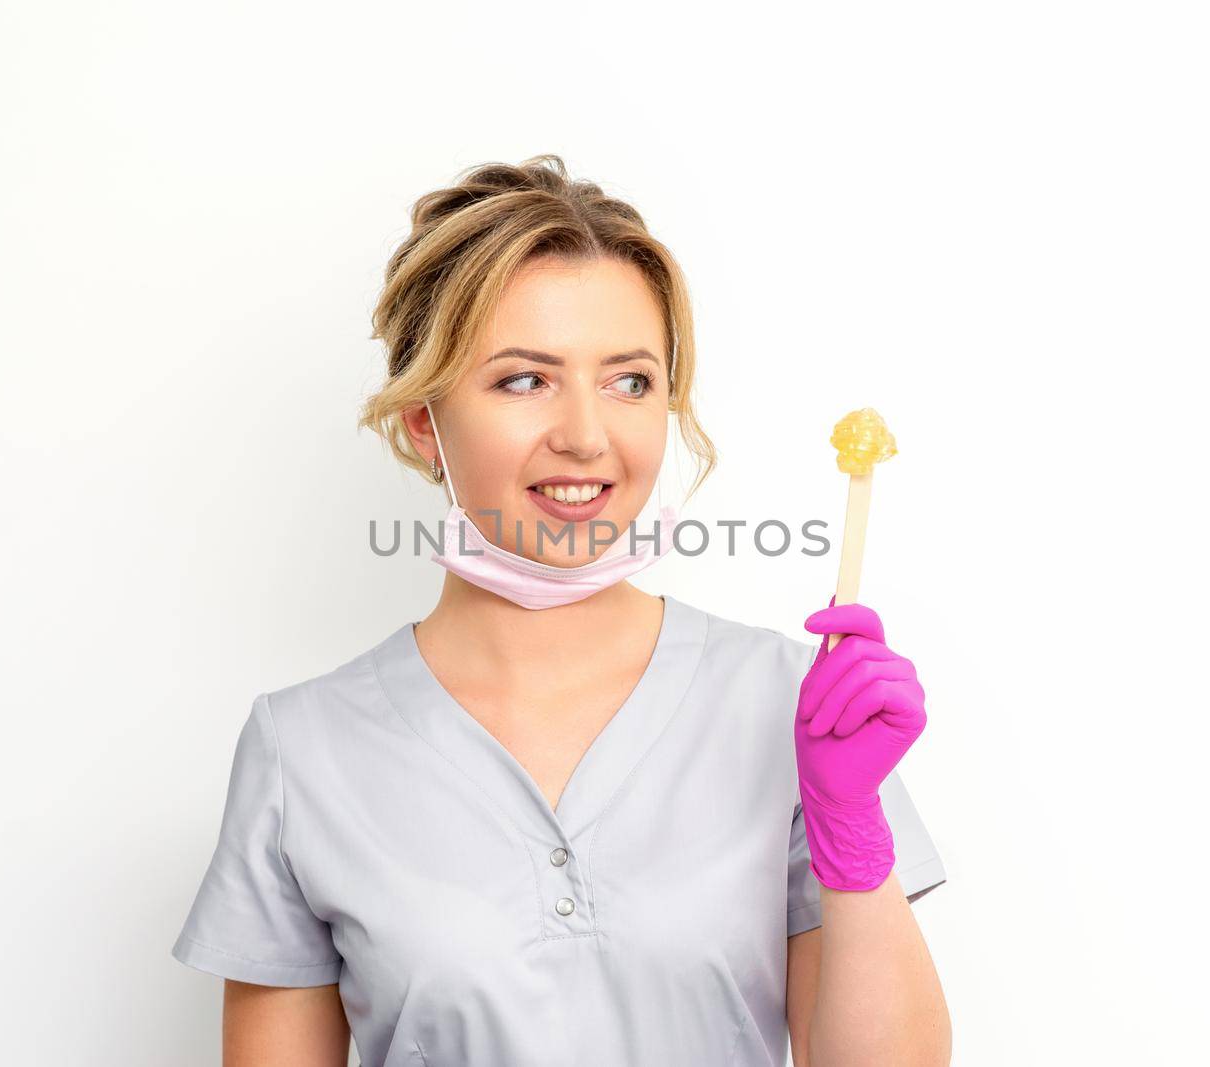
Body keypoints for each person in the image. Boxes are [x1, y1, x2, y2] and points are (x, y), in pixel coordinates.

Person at [171, 155, 950, 1066]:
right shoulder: (303, 750)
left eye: (629, 382)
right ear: (424, 418)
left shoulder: (790, 703)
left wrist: (850, 825)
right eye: (523, 379)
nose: (586, 435)